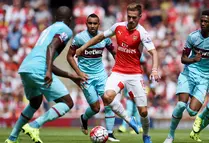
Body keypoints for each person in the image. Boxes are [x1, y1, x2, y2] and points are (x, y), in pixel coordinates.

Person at [76, 3, 160, 143]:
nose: (131, 20)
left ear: (140, 17)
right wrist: (82, 47)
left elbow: (154, 52)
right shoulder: (118, 27)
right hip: (118, 72)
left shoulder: (142, 33)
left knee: (143, 112)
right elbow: (99, 37)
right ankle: (128, 119)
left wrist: (155, 70)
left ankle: (146, 135)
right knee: (107, 97)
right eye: (129, 17)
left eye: (134, 17)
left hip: (135, 75)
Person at [5, 6, 85, 143]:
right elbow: (51, 47)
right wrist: (47, 71)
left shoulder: (48, 29)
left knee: (35, 103)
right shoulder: (66, 29)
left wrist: (71, 76)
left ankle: (12, 138)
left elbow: (48, 58)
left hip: (26, 67)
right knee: (67, 102)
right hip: (39, 68)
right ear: (70, 20)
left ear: (55, 18)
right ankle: (34, 125)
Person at [163, 10, 209, 143]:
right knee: (181, 105)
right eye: (201, 21)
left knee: (192, 113)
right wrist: (194, 60)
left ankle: (190, 105)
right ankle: (170, 136)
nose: (203, 23)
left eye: (206, 21)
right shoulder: (193, 37)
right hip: (189, 74)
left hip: (204, 79)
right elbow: (183, 58)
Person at [66, 13, 119, 142]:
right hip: (86, 77)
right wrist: (79, 73)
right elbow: (69, 56)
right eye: (90, 23)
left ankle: (110, 133)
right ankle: (84, 118)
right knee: (96, 108)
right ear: (86, 24)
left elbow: (114, 52)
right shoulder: (79, 38)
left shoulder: (104, 37)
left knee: (109, 101)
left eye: (95, 23)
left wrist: (118, 70)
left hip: (101, 75)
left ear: (98, 24)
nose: (92, 26)